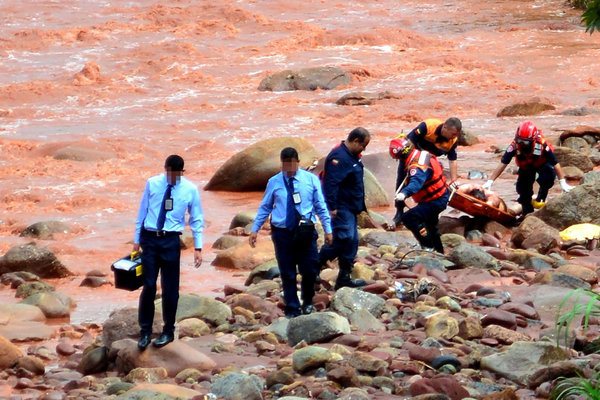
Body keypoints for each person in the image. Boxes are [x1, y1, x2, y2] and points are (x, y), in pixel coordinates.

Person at [249, 147, 333, 318]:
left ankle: (308, 301)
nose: (288, 168)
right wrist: (255, 229)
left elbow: (320, 206)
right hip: (282, 232)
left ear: (298, 163)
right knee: (287, 272)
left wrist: (328, 229)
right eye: (285, 164)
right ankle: (292, 307)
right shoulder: (274, 182)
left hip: (305, 231)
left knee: (309, 269)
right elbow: (266, 206)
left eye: (292, 164)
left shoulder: (310, 180)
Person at [133, 155, 204, 350]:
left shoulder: (190, 189)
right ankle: (145, 331)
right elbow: (142, 211)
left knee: (170, 288)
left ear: (182, 172)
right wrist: (136, 240)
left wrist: (198, 247)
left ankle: (168, 331)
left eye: (177, 174)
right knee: (148, 286)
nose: (173, 177)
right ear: (165, 169)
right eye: (170, 173)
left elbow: (196, 218)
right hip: (150, 238)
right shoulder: (153, 183)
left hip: (170, 240)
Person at [483, 121, 573, 216]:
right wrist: (490, 181)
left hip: (542, 163)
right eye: (519, 141)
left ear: (533, 140)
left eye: (525, 142)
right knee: (523, 189)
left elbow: (555, 163)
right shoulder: (514, 146)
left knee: (548, 178)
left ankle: (541, 197)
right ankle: (527, 212)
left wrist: (563, 182)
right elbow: (503, 163)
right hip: (526, 167)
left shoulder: (541, 144)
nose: (522, 144)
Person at [319, 127, 371, 290]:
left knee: (352, 242)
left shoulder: (352, 156)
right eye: (363, 145)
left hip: (351, 206)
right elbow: (331, 183)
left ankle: (344, 278)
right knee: (344, 238)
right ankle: (314, 265)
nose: (364, 149)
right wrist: (332, 207)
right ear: (355, 141)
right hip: (341, 206)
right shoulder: (339, 157)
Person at [392, 117, 462, 227]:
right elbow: (409, 141)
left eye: (456, 135)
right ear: (445, 127)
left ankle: (425, 212)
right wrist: (411, 162)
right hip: (413, 156)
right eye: (453, 134)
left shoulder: (453, 141)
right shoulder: (428, 126)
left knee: (431, 187)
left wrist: (454, 180)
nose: (455, 137)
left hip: (431, 161)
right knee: (402, 181)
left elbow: (452, 160)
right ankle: (399, 210)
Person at [393, 137, 450, 253]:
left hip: (435, 200)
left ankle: (427, 247)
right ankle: (439, 251)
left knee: (409, 218)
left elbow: (416, 182)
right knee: (430, 226)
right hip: (439, 196)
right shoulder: (420, 155)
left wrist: (404, 193)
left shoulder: (417, 166)